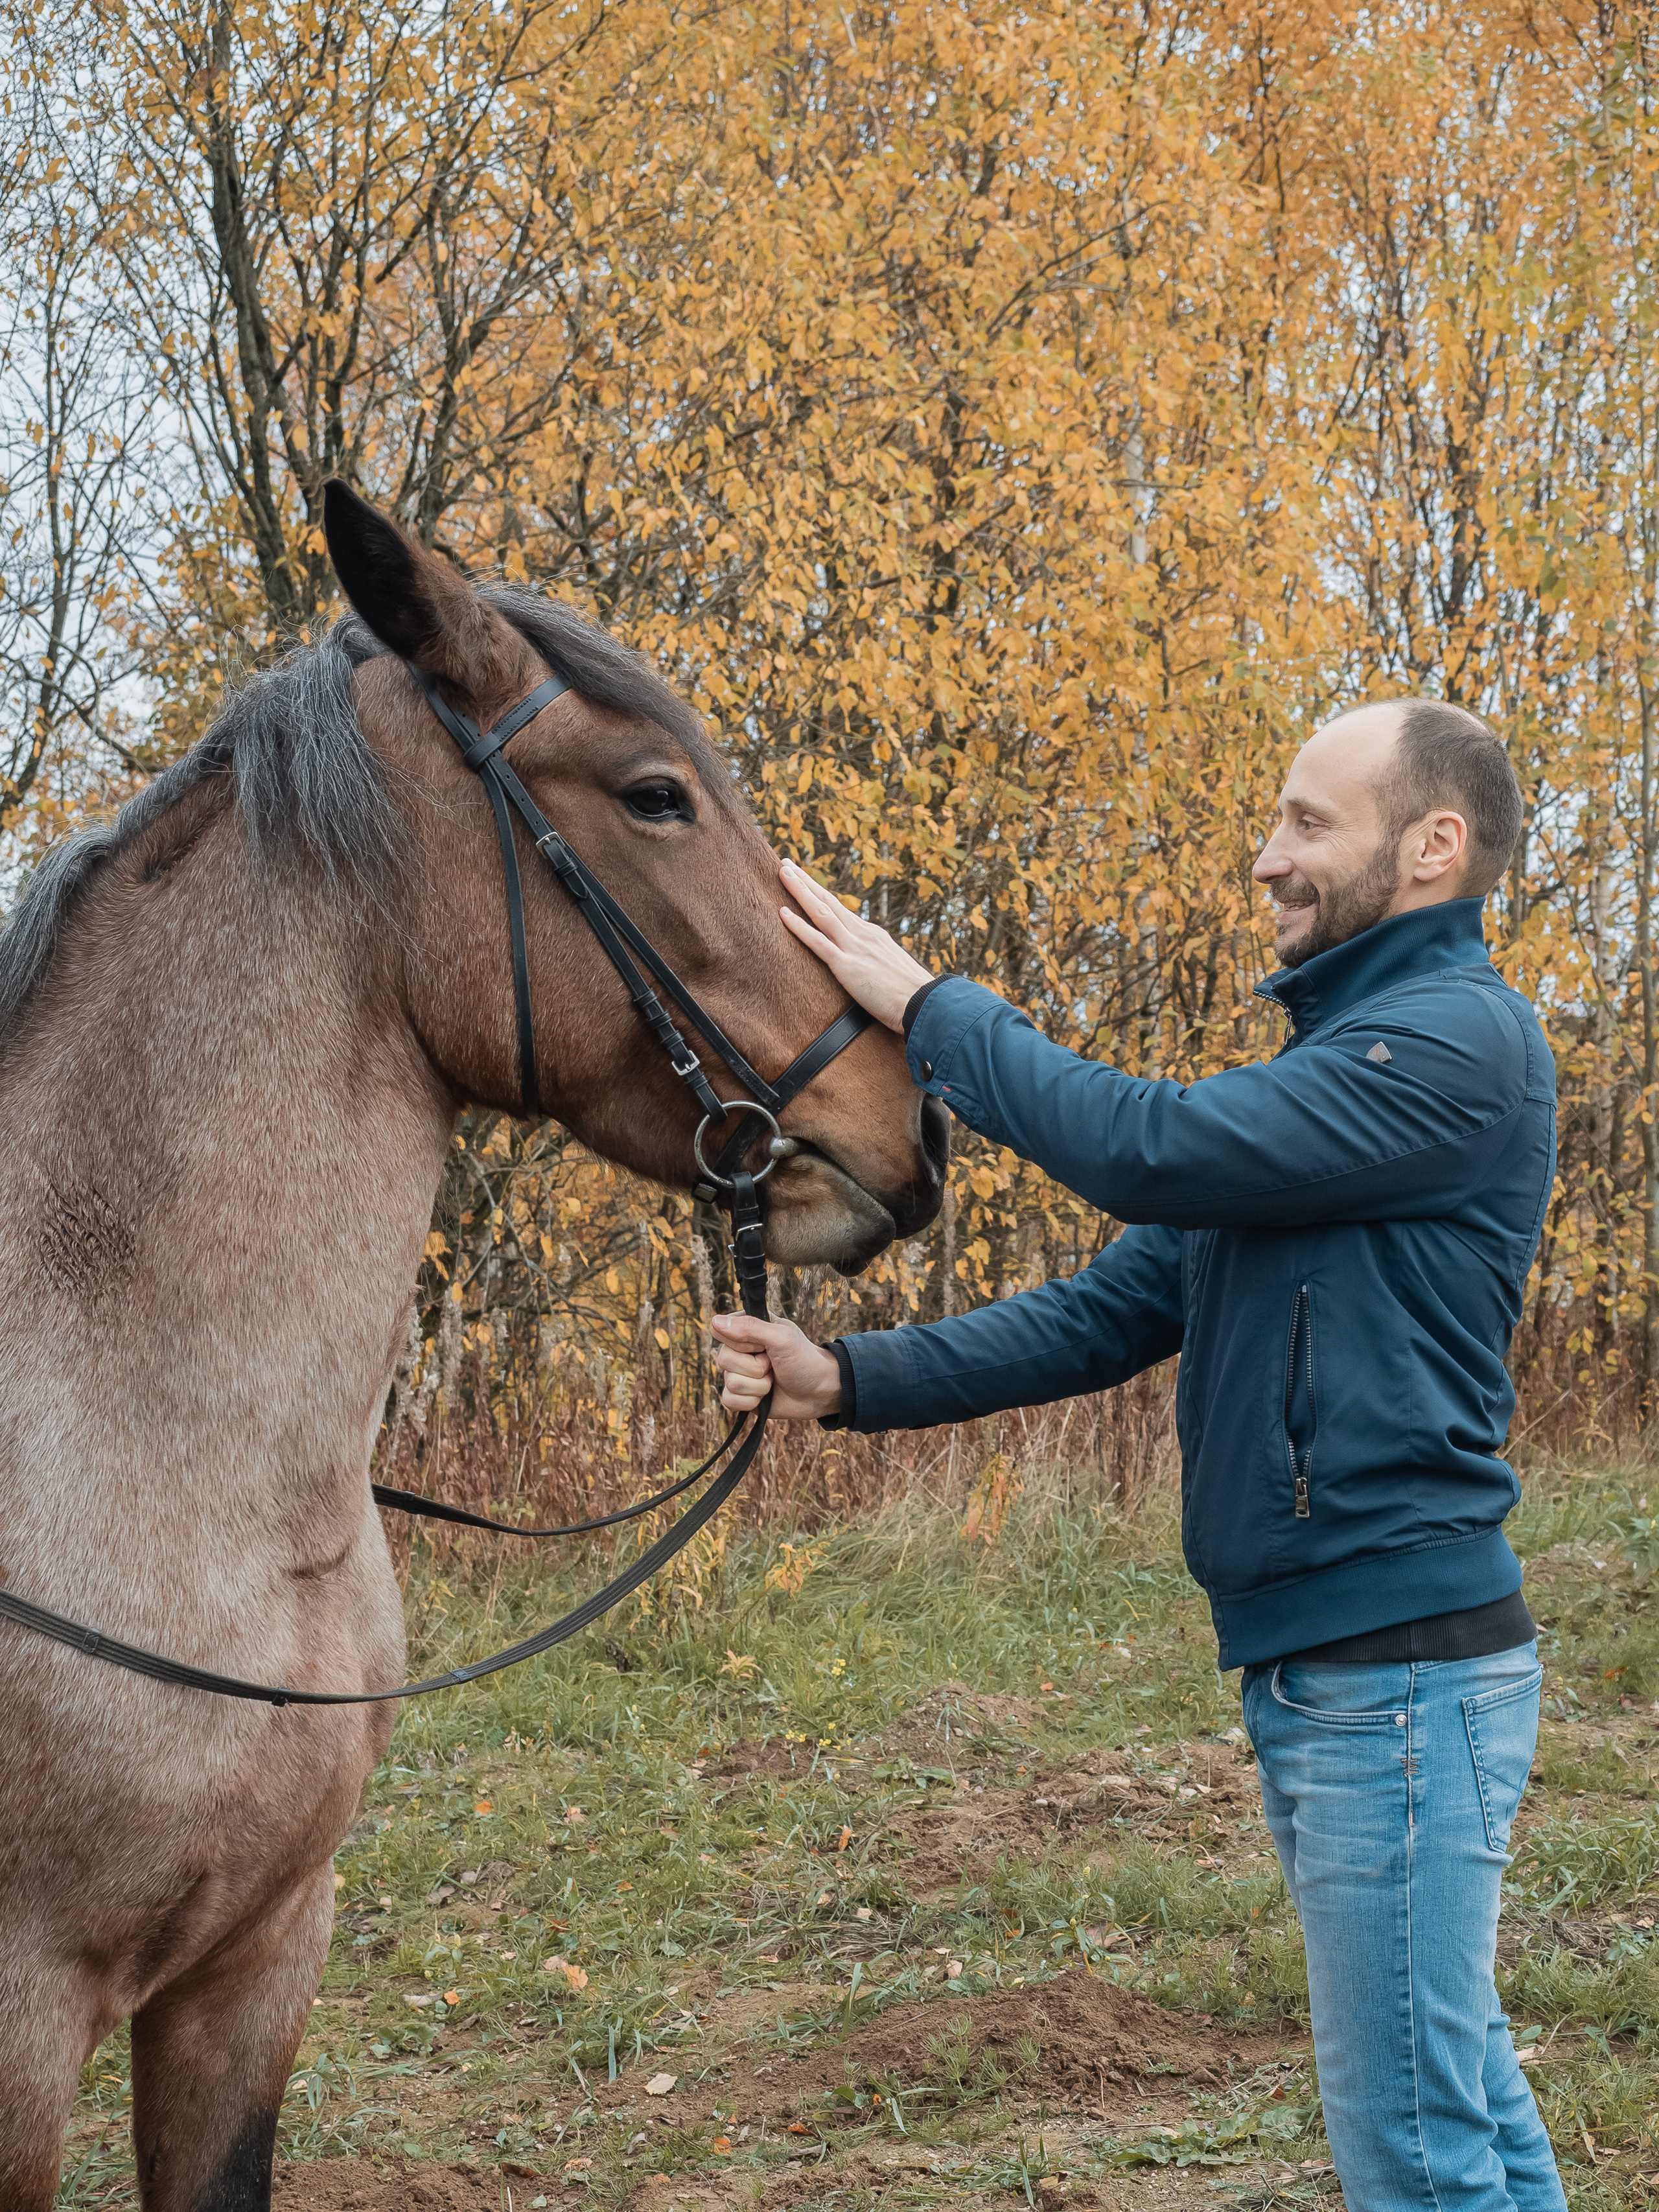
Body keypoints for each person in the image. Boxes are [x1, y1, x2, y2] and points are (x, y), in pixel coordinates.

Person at [712, 699, 1565, 2212]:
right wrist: (846, 1378)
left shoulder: (1452, 1045)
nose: (1266, 858)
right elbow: (1115, 1304)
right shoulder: (1339, 1077)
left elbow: (1145, 1150)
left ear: (1431, 848)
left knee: (1418, 2147)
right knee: (1457, 2111)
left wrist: (934, 1011)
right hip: (1348, 1670)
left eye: (1309, 822)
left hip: (1397, 1671)